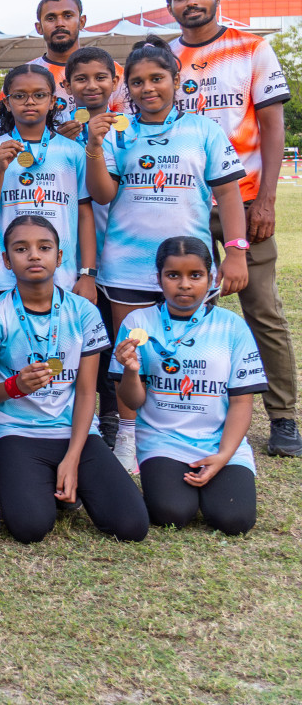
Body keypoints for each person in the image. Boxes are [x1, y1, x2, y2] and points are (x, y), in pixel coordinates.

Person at [84, 36, 248, 473]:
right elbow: (102, 195)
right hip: (128, 266)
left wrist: (235, 252)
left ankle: (194, 432)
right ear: (127, 88)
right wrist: (94, 148)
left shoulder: (204, 130)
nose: (147, 88)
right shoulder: (119, 130)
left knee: (188, 350)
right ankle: (130, 437)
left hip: (189, 267)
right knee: (133, 354)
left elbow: (229, 194)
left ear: (176, 79)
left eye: (157, 78)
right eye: (137, 82)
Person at [164, 0, 299, 457]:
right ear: (171, 7)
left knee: (262, 309)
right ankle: (202, 410)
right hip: (185, 204)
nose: (191, 1)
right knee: (194, 310)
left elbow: (271, 126)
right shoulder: (165, 58)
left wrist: (266, 199)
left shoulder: (251, 48)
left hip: (242, 199)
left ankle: (283, 416)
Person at [0, 216, 147, 544]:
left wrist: (72, 459)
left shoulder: (83, 312)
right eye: (21, 249)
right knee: (31, 527)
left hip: (75, 434)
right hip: (17, 434)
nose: (34, 255)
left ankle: (63, 479)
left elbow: (86, 394)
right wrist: (15, 386)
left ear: (59, 256)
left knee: (131, 525)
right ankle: (23, 484)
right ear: (6, 260)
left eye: (44, 247)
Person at [111, 237, 266, 535]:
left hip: (219, 442)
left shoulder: (231, 326)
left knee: (234, 520)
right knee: (171, 513)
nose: (184, 284)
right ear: (158, 279)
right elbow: (133, 401)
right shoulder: (137, 322)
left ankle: (220, 474)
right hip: (163, 441)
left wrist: (223, 456)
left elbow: (242, 402)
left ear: (212, 278)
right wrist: (130, 372)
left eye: (195, 275)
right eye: (173, 275)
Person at [0, 63, 96, 299]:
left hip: (61, 272)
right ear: (7, 103)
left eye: (39, 95)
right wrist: (0, 169)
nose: (30, 102)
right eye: (19, 96)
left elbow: (85, 214)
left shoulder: (73, 151)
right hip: (6, 273)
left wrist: (87, 273)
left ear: (52, 101)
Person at [60, 46, 125, 445]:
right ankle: (88, 408)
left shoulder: (129, 127)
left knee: (119, 338)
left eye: (101, 77)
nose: (91, 86)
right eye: (81, 79)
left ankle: (116, 411)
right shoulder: (61, 130)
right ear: (66, 86)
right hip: (81, 253)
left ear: (115, 81)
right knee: (87, 335)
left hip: (122, 249)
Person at [25, 0, 124, 118]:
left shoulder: (115, 71)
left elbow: (130, 128)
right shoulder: (24, 76)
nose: (60, 24)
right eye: (51, 18)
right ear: (39, 27)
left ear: (82, 22)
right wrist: (57, 137)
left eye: (67, 16)